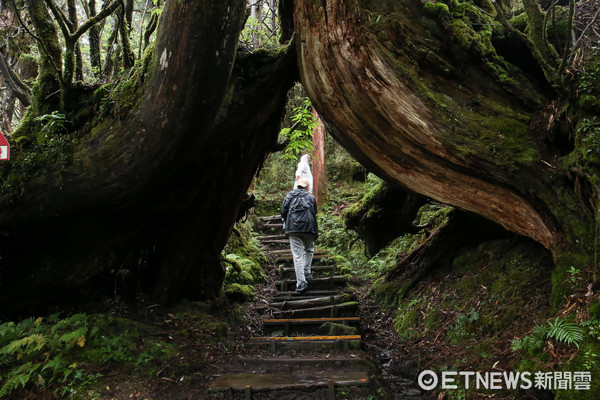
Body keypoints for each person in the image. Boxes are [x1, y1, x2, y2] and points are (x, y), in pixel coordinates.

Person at [281, 177, 318, 293]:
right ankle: (307, 272)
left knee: (297, 256)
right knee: (309, 250)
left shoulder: (289, 195)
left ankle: (301, 284)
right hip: (309, 228)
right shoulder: (311, 197)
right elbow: (314, 212)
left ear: (298, 185)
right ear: (307, 187)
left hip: (293, 229)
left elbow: (283, 211)